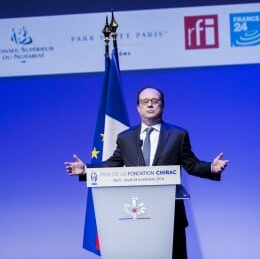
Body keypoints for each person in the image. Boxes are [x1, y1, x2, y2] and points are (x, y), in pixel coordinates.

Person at [65, 86, 229, 259]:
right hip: (137, 216)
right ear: (138, 107)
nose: (149, 105)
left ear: (162, 106)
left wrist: (211, 167)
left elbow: (192, 165)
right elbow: (111, 166)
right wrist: (86, 170)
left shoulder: (177, 135)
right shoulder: (125, 137)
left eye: (154, 101)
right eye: (145, 101)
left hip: (170, 217)